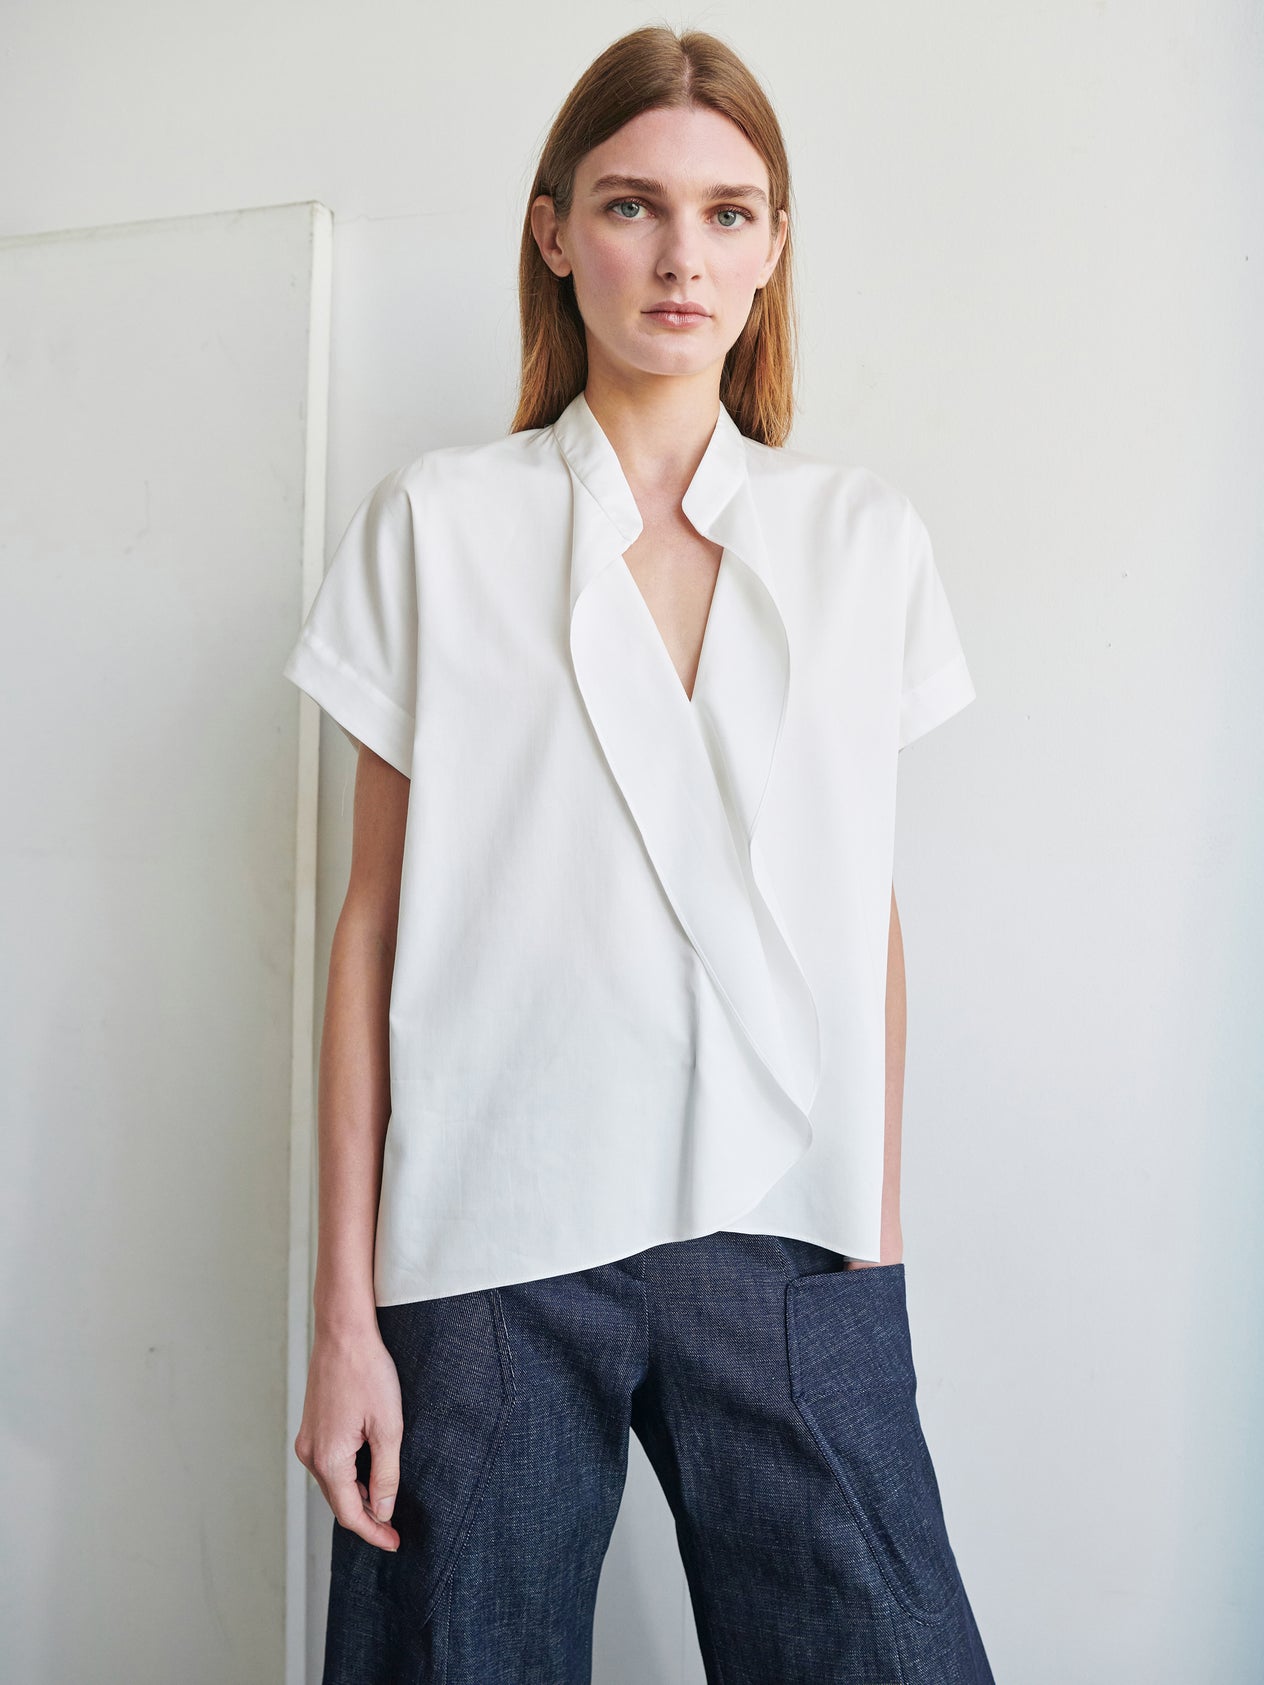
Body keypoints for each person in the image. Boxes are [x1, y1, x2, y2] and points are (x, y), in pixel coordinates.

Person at [285, 23, 994, 1685]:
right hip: (488, 1243)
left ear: (775, 245)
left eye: (732, 212)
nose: (685, 255)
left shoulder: (860, 540)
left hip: (787, 1231)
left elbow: (861, 915)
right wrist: (343, 1315)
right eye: (633, 204)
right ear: (553, 230)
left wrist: (869, 1259)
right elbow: (372, 926)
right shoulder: (439, 526)